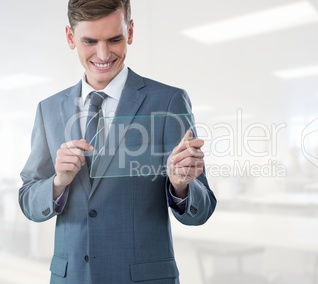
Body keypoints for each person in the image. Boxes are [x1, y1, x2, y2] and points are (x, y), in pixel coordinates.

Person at [18, 0, 217, 283]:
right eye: (90, 41)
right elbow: (28, 201)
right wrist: (57, 182)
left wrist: (181, 185)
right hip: (71, 277)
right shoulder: (48, 109)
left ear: (131, 32)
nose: (103, 54)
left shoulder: (168, 101)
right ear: (70, 37)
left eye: (114, 39)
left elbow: (202, 209)